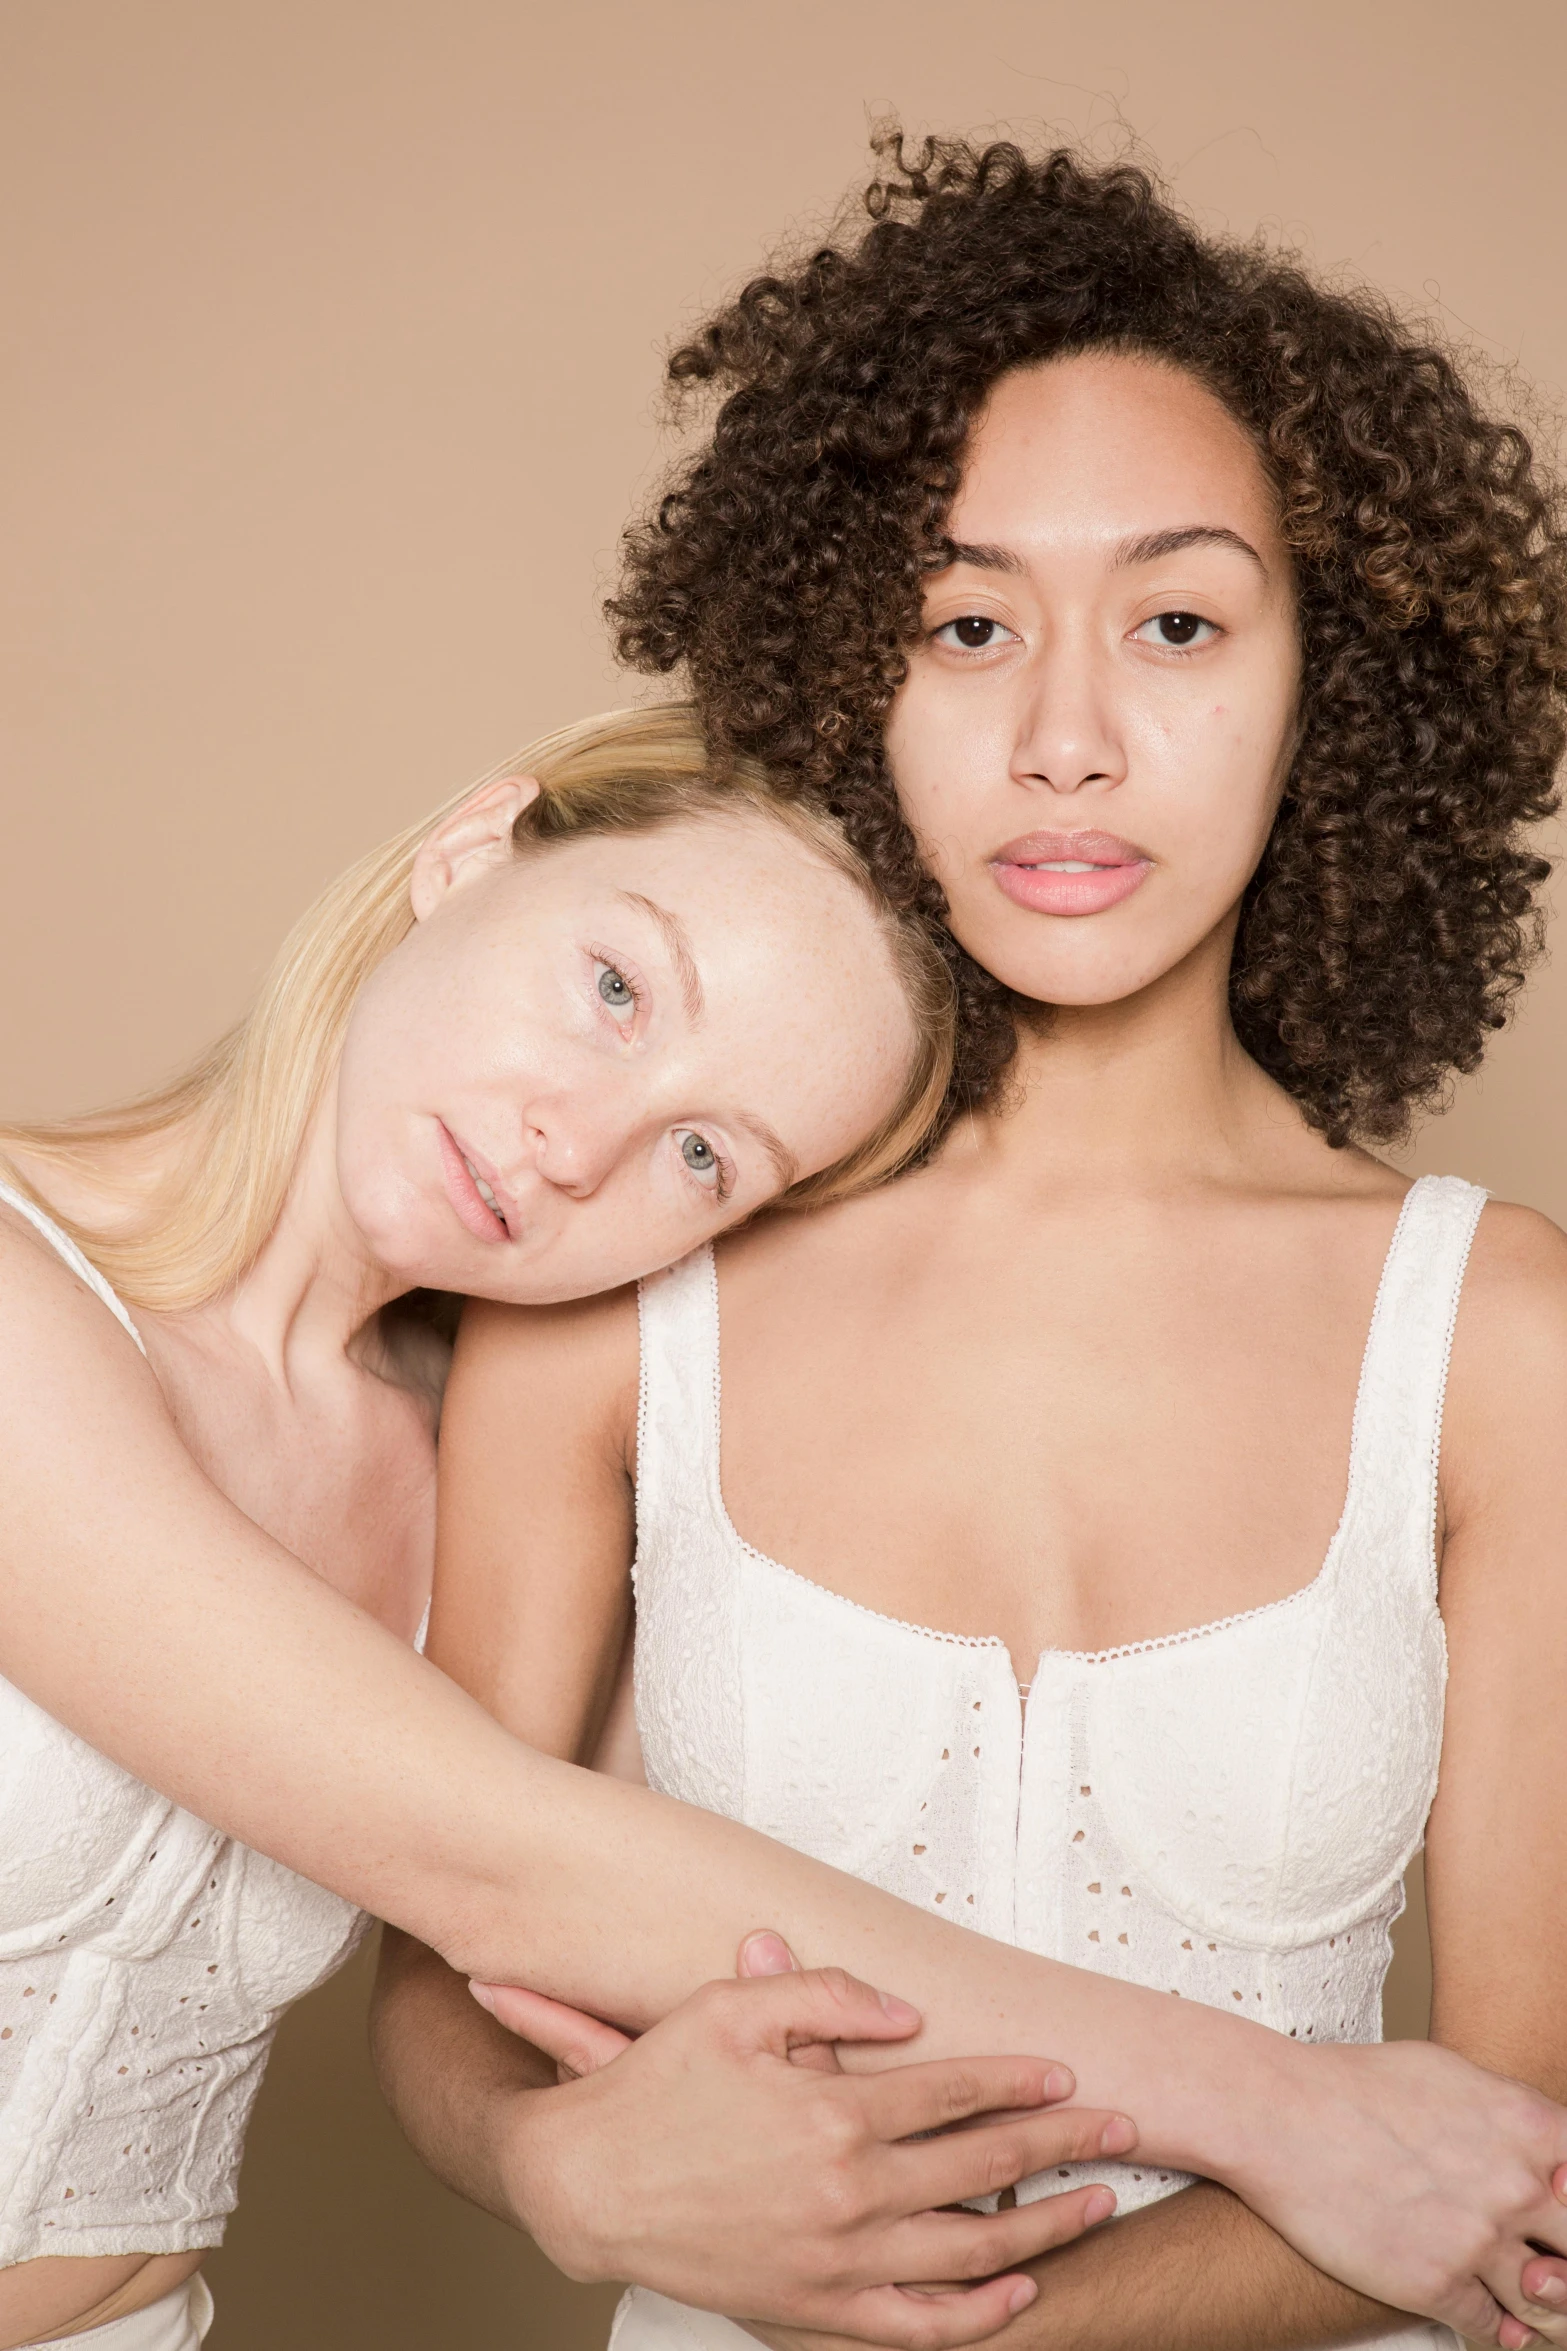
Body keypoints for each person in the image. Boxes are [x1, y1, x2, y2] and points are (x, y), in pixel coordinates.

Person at [371, 138, 1567, 2351]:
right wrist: (549, 2156)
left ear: (1339, 686)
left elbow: (1530, 2122)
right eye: (967, 620)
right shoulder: (631, 1277)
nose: (1070, 738)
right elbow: (442, 1946)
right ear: (849, 668)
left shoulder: (1501, 1334)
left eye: (1182, 621)